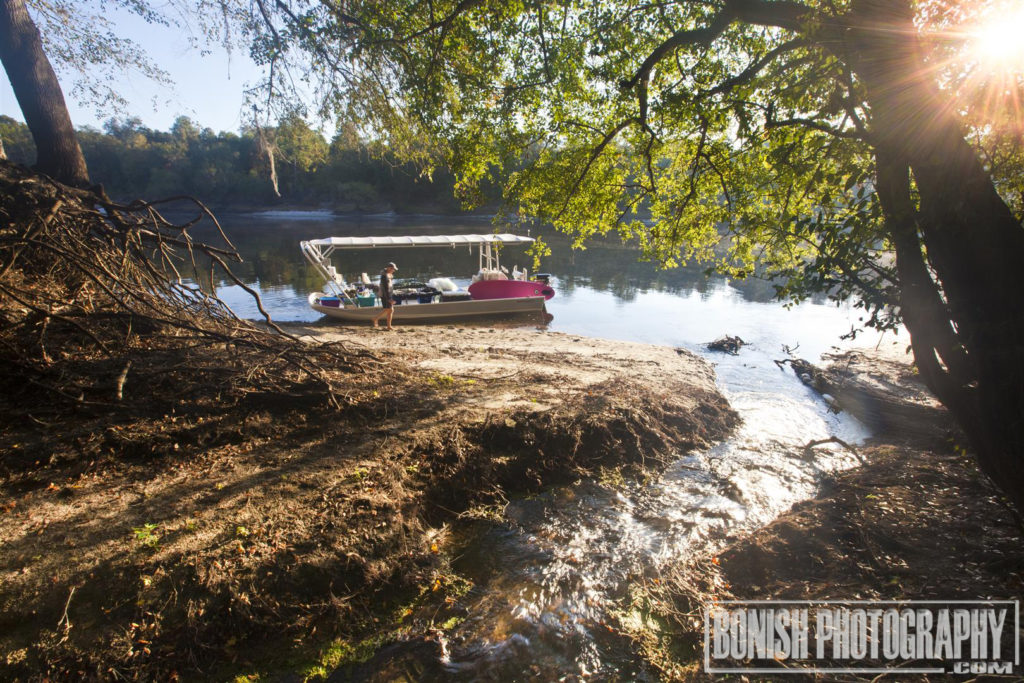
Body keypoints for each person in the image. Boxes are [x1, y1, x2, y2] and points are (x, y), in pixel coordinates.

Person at [372, 262, 398, 330]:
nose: (394, 270)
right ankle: (386, 325)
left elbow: (388, 287)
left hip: (387, 294)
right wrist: (389, 299)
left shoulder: (388, 274)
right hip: (385, 295)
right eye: (393, 269)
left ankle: (376, 319)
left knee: (389, 309)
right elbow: (385, 289)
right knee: (390, 309)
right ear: (389, 268)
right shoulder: (384, 276)